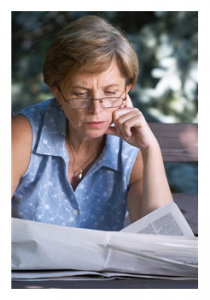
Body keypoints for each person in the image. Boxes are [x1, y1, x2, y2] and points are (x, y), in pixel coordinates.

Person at [12, 15, 173, 231]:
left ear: (126, 90)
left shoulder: (132, 148)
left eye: (111, 92)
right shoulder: (24, 133)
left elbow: (161, 238)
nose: (96, 109)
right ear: (57, 93)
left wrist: (150, 149)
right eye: (80, 93)